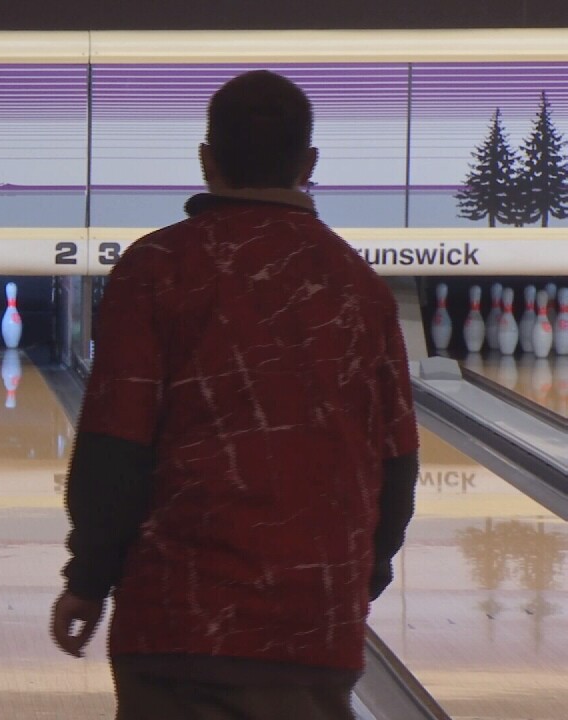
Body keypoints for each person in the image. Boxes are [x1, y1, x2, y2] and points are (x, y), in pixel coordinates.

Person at [50, 70, 419, 719]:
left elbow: (115, 447)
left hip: (176, 626)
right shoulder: (361, 288)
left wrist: (88, 579)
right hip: (314, 629)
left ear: (206, 160)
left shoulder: (156, 268)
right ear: (309, 165)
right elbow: (398, 465)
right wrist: (356, 583)